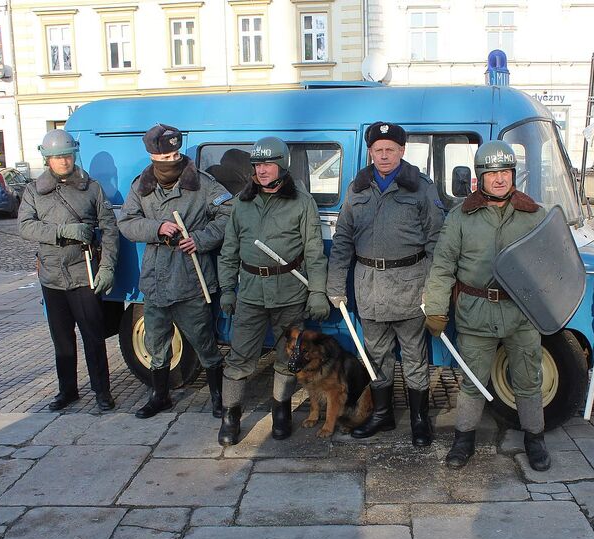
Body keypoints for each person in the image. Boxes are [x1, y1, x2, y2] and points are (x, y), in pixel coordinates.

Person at [422, 141, 550, 471]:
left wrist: (552, 306)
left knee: (528, 378)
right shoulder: (461, 217)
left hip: (522, 313)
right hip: (475, 313)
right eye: (492, 173)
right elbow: (443, 264)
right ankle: (464, 440)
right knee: (472, 380)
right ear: (480, 177)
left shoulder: (535, 215)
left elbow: (552, 264)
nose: (499, 179)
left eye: (505, 172)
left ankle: (535, 439)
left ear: (513, 175)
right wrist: (436, 307)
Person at [327, 122, 444, 447]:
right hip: (370, 287)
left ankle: (419, 419)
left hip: (410, 285)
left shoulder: (421, 187)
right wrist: (335, 285)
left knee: (415, 356)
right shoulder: (358, 188)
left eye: (390, 149)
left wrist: (432, 288)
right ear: (370, 152)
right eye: (378, 150)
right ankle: (382, 415)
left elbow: (436, 240)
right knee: (376, 356)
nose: (383, 156)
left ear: (402, 151)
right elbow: (343, 239)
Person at [216, 137, 329, 446]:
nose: (261, 170)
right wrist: (227, 289)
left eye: (267, 164)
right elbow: (229, 250)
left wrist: (318, 292)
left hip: (290, 293)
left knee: (287, 358)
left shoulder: (302, 203)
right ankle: (230, 416)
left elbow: (314, 251)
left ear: (282, 166)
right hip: (250, 293)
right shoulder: (242, 202)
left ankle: (281, 411)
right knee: (239, 358)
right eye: (256, 165)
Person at [118, 124, 231, 419]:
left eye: (176, 153)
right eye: (166, 156)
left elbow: (229, 214)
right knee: (156, 341)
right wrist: (156, 228)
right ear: (153, 156)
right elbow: (127, 222)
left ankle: (218, 397)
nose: (172, 160)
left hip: (191, 278)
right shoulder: (141, 187)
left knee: (204, 339)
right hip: (156, 280)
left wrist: (201, 238)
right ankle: (160, 395)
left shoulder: (202, 183)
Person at [18, 129, 119, 411]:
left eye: (67, 156)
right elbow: (25, 226)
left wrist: (108, 267)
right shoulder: (33, 191)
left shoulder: (92, 188)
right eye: (57, 157)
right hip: (51, 276)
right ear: (47, 159)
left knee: (94, 339)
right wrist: (61, 231)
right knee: (62, 341)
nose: (63, 162)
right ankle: (68, 391)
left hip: (83, 273)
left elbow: (110, 229)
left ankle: (102, 391)